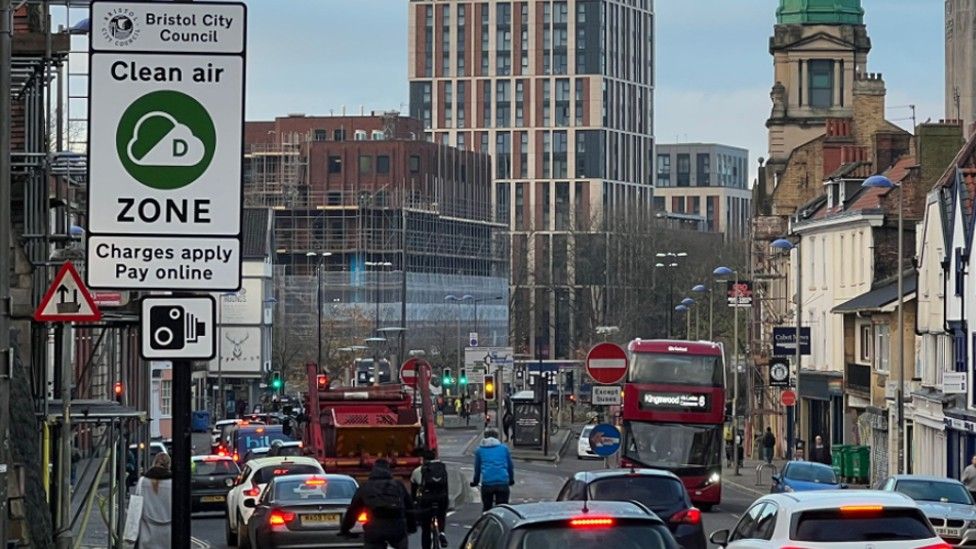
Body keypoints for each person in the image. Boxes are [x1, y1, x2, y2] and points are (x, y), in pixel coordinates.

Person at [341, 459, 416, 549]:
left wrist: (345, 529)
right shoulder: (398, 485)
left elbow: (353, 511)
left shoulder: (365, 486)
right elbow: (409, 508)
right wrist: (412, 527)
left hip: (374, 530)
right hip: (397, 529)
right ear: (389, 471)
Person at [411, 449, 450, 549]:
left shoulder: (418, 471)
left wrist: (415, 502)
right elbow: (446, 486)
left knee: (426, 528)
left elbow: (413, 490)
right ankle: (442, 532)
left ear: (423, 459)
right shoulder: (441, 468)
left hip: (427, 500)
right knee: (441, 514)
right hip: (441, 498)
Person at [470, 428, 514, 512]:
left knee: (487, 508)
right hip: (502, 482)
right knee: (503, 509)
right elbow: (510, 466)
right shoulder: (504, 448)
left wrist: (475, 481)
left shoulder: (479, 450)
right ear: (497, 438)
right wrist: (511, 480)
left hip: (487, 483)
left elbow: (477, 469)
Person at [134, 453, 172, 549]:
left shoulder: (142, 482)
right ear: (169, 465)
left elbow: (135, 509)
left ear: (154, 463)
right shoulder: (173, 483)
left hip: (146, 532)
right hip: (169, 533)